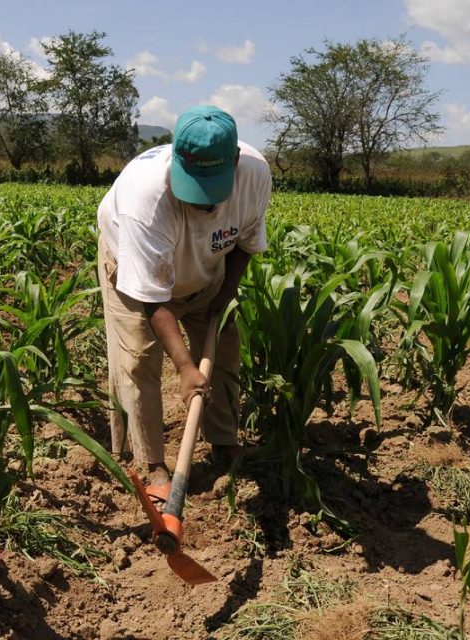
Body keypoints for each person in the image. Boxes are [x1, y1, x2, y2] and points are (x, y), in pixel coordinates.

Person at [96, 105, 272, 504]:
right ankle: (153, 464)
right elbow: (153, 299)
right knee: (138, 358)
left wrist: (222, 300)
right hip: (135, 270)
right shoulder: (146, 197)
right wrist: (186, 368)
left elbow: (244, 243)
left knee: (225, 344)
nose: (203, 205)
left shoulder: (255, 174)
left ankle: (224, 440)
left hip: (208, 268)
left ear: (235, 163)